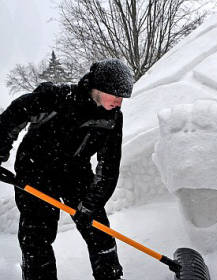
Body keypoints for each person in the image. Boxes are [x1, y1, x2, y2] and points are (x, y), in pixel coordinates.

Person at [0, 58, 134, 280]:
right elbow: (15, 114)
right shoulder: (57, 98)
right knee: (37, 234)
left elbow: (109, 165)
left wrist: (91, 205)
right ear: (98, 87)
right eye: (116, 96)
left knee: (99, 229)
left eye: (123, 98)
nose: (119, 102)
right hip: (36, 169)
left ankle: (110, 276)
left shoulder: (112, 118)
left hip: (75, 172)